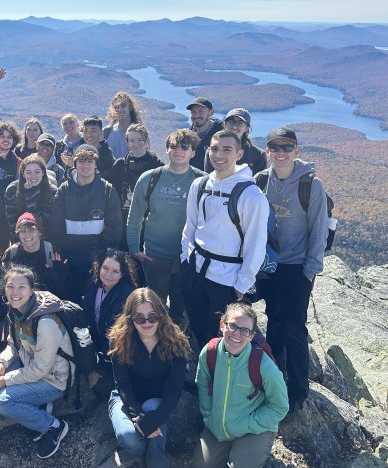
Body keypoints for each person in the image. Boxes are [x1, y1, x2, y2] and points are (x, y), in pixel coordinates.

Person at [256, 127, 328, 413]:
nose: (281, 152)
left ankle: (298, 389)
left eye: (287, 147)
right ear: (268, 152)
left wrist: (310, 271)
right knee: (273, 320)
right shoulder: (260, 180)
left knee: (295, 328)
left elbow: (318, 229)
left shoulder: (311, 184)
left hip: (296, 267)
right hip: (269, 265)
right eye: (276, 147)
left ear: (297, 151)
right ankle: (275, 378)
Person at [181, 131, 270, 345]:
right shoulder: (200, 185)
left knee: (221, 338)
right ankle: (202, 372)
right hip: (195, 269)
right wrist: (186, 258)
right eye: (214, 149)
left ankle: (217, 377)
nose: (219, 154)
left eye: (227, 149)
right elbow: (190, 225)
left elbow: (256, 244)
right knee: (199, 329)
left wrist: (242, 285)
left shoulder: (252, 196)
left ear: (239, 154)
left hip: (227, 279)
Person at [0, 265, 72, 459]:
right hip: (30, 365)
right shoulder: (16, 310)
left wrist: (7, 380)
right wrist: (1, 365)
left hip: (53, 380)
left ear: (32, 289)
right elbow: (14, 345)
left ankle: (54, 426)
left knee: (2, 402)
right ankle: (38, 403)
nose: (15, 292)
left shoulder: (45, 322)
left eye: (21, 287)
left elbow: (41, 368)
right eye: (10, 286)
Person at [193, 303, 289, 467]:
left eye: (245, 330)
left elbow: (280, 407)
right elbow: (202, 384)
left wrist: (244, 425)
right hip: (217, 428)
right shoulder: (210, 352)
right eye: (233, 326)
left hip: (254, 429)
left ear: (252, 336)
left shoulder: (264, 367)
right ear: (222, 325)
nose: (237, 334)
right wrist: (209, 415)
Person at [127, 129, 205, 326]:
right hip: (155, 255)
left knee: (182, 306)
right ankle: (157, 341)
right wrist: (134, 248)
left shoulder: (203, 181)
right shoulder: (150, 178)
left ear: (193, 152)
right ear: (167, 150)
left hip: (187, 256)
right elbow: (135, 215)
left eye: (184, 147)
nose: (178, 151)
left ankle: (178, 343)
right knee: (155, 306)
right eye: (173, 146)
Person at [107, 288, 190, 468]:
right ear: (130, 318)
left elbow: (175, 387)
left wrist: (155, 418)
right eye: (139, 318)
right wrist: (139, 416)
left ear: (161, 315)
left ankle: (156, 462)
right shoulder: (119, 339)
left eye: (153, 317)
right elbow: (122, 384)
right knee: (128, 438)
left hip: (162, 403)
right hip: (127, 399)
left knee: (152, 407)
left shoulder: (177, 341)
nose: (147, 323)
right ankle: (145, 453)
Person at [50, 144, 123, 301]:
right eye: (81, 161)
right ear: (75, 163)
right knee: (71, 300)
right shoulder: (63, 190)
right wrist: (62, 252)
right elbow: (56, 226)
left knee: (94, 300)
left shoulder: (107, 190)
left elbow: (114, 228)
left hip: (97, 259)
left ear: (96, 164)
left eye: (90, 161)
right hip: (69, 259)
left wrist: (104, 256)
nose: (86, 165)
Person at [80, 250, 137, 400]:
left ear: (122, 274)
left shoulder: (126, 296)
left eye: (115, 271)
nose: (108, 275)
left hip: (120, 352)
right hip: (99, 345)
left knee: (101, 387)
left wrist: (99, 370)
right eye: (105, 268)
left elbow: (116, 337)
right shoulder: (93, 284)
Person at [106, 123, 164, 249]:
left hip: (147, 226)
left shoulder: (157, 166)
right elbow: (113, 195)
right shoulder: (120, 165)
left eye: (140, 140)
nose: (136, 144)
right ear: (127, 142)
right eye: (132, 140)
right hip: (122, 224)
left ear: (147, 141)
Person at [1, 213, 69, 300]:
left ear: (39, 232)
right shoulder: (11, 253)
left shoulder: (53, 252)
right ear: (18, 234)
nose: (27, 234)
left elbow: (65, 290)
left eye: (31, 230)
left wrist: (58, 272)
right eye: (22, 231)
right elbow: (2, 286)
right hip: (18, 302)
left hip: (47, 303)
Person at [4, 155, 57, 242]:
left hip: (46, 240)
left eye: (37, 172)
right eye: (28, 172)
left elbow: (45, 223)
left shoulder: (52, 192)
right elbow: (11, 220)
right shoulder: (12, 190)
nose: (33, 176)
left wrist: (31, 194)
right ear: (23, 174)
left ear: (43, 173)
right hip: (21, 238)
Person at [203, 108, 267, 175]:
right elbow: (208, 177)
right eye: (231, 122)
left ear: (246, 128)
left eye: (240, 123)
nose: (234, 126)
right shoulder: (213, 150)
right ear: (224, 125)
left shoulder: (258, 154)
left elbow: (260, 183)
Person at [186, 97, 224, 170]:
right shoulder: (186, 137)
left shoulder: (222, 132)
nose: (196, 115)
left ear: (211, 112)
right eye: (193, 111)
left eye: (201, 111)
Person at [103, 92, 144, 159]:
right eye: (116, 107)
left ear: (130, 107)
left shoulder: (141, 133)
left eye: (123, 106)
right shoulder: (106, 132)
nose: (119, 110)